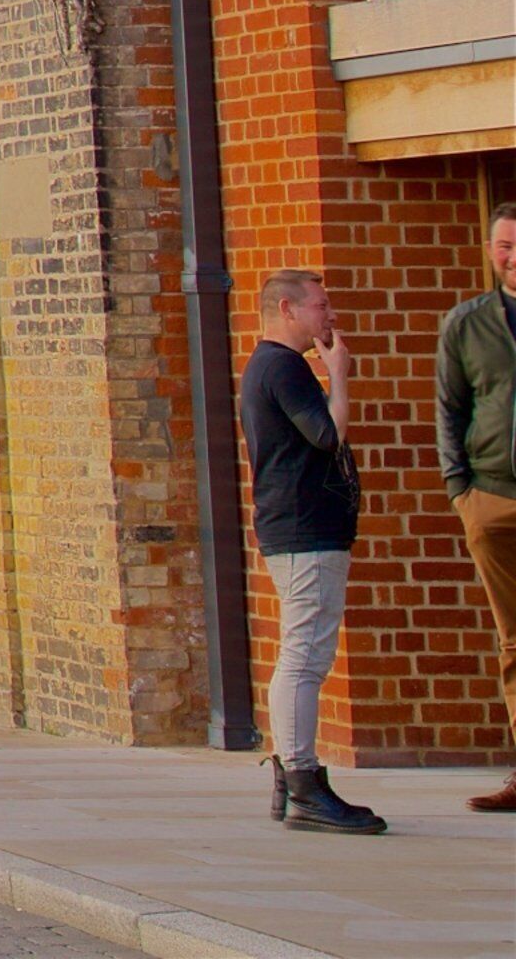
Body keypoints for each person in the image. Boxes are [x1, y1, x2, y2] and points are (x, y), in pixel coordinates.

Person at [243, 269, 380, 833]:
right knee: (305, 656)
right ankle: (303, 782)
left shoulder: (270, 367)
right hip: (303, 528)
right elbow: (329, 435)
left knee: (303, 652)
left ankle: (293, 777)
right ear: (287, 307)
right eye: (321, 307)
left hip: (299, 526)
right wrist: (339, 376)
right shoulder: (282, 366)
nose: (330, 316)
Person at [438, 204, 516, 815]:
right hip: (493, 497)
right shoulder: (466, 324)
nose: (510, 256)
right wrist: (461, 492)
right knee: (514, 641)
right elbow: (450, 410)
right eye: (503, 246)